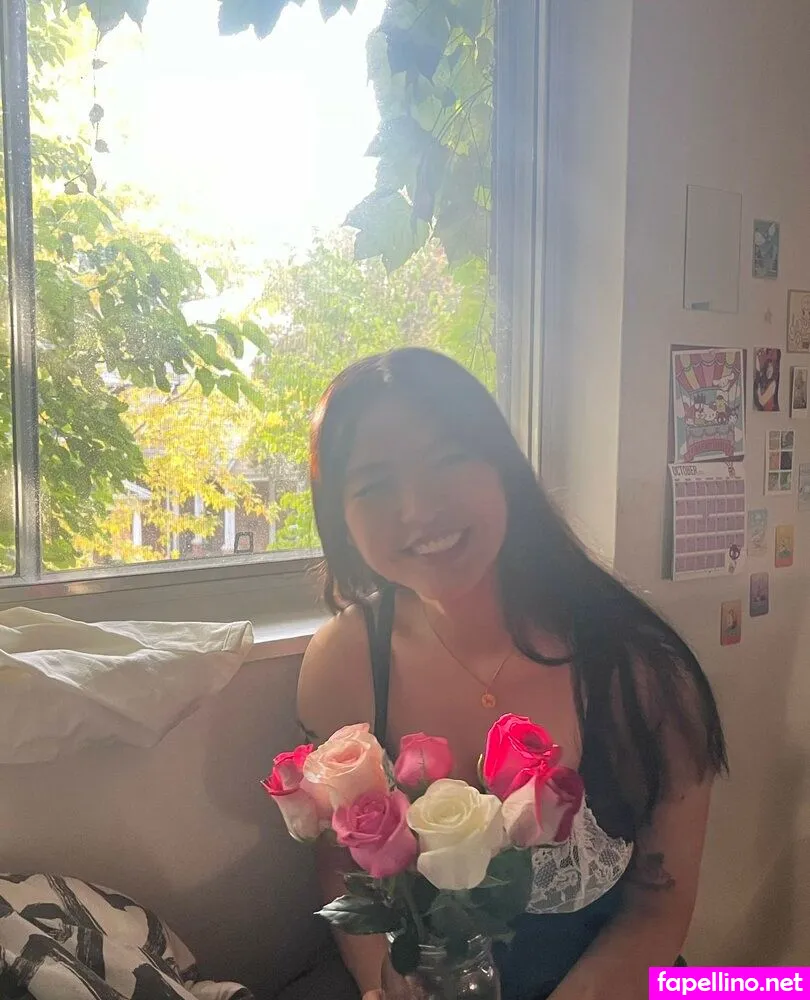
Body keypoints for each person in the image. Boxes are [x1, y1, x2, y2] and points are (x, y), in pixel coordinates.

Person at [297, 348, 727, 1000]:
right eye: (375, 485)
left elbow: (659, 905)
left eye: (448, 460)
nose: (418, 509)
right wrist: (382, 981)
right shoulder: (343, 663)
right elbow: (339, 860)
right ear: (341, 518)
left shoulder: (638, 668)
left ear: (503, 471)